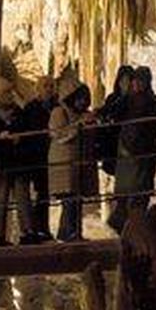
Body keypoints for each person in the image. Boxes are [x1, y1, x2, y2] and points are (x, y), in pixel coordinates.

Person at [109, 67, 156, 233]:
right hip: (127, 149)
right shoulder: (126, 100)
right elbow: (113, 114)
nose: (137, 84)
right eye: (136, 80)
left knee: (140, 191)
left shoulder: (153, 101)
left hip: (144, 151)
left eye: (141, 81)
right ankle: (123, 223)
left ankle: (134, 226)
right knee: (126, 192)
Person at [49, 81, 94, 242]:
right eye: (80, 99)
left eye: (85, 99)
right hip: (64, 162)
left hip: (78, 162)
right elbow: (59, 134)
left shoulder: (82, 115)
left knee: (76, 200)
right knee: (69, 200)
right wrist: (79, 126)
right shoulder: (59, 112)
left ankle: (70, 232)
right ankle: (69, 232)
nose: (82, 102)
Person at [0, 76, 29, 246]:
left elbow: (26, 125)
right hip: (0, 160)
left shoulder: (19, 112)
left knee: (22, 197)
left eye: (10, 92)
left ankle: (27, 231)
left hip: (17, 160)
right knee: (0, 198)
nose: (10, 95)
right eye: (6, 93)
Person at [18, 77, 58, 242]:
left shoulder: (56, 107)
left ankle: (43, 227)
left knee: (45, 193)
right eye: (45, 86)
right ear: (38, 89)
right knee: (39, 192)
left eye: (51, 86)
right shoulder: (31, 108)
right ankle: (36, 228)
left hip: (51, 155)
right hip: (36, 156)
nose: (48, 89)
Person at [96, 65, 136, 177]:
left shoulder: (135, 100)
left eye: (129, 81)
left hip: (127, 139)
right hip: (113, 139)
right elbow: (105, 111)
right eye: (123, 80)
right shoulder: (112, 98)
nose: (126, 84)